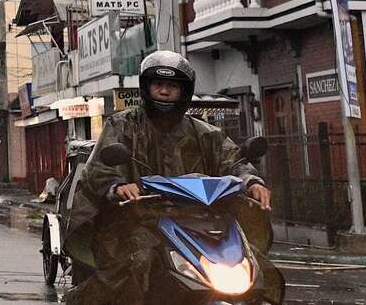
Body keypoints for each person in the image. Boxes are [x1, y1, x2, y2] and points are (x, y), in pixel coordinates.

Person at [62, 50, 282, 304]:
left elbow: (233, 160)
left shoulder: (204, 133)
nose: (165, 92)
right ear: (147, 88)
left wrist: (251, 182)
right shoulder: (122, 126)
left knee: (256, 267)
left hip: (198, 223)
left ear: (184, 91)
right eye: (158, 85)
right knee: (136, 262)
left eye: (172, 86)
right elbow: (100, 167)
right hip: (136, 222)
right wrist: (118, 185)